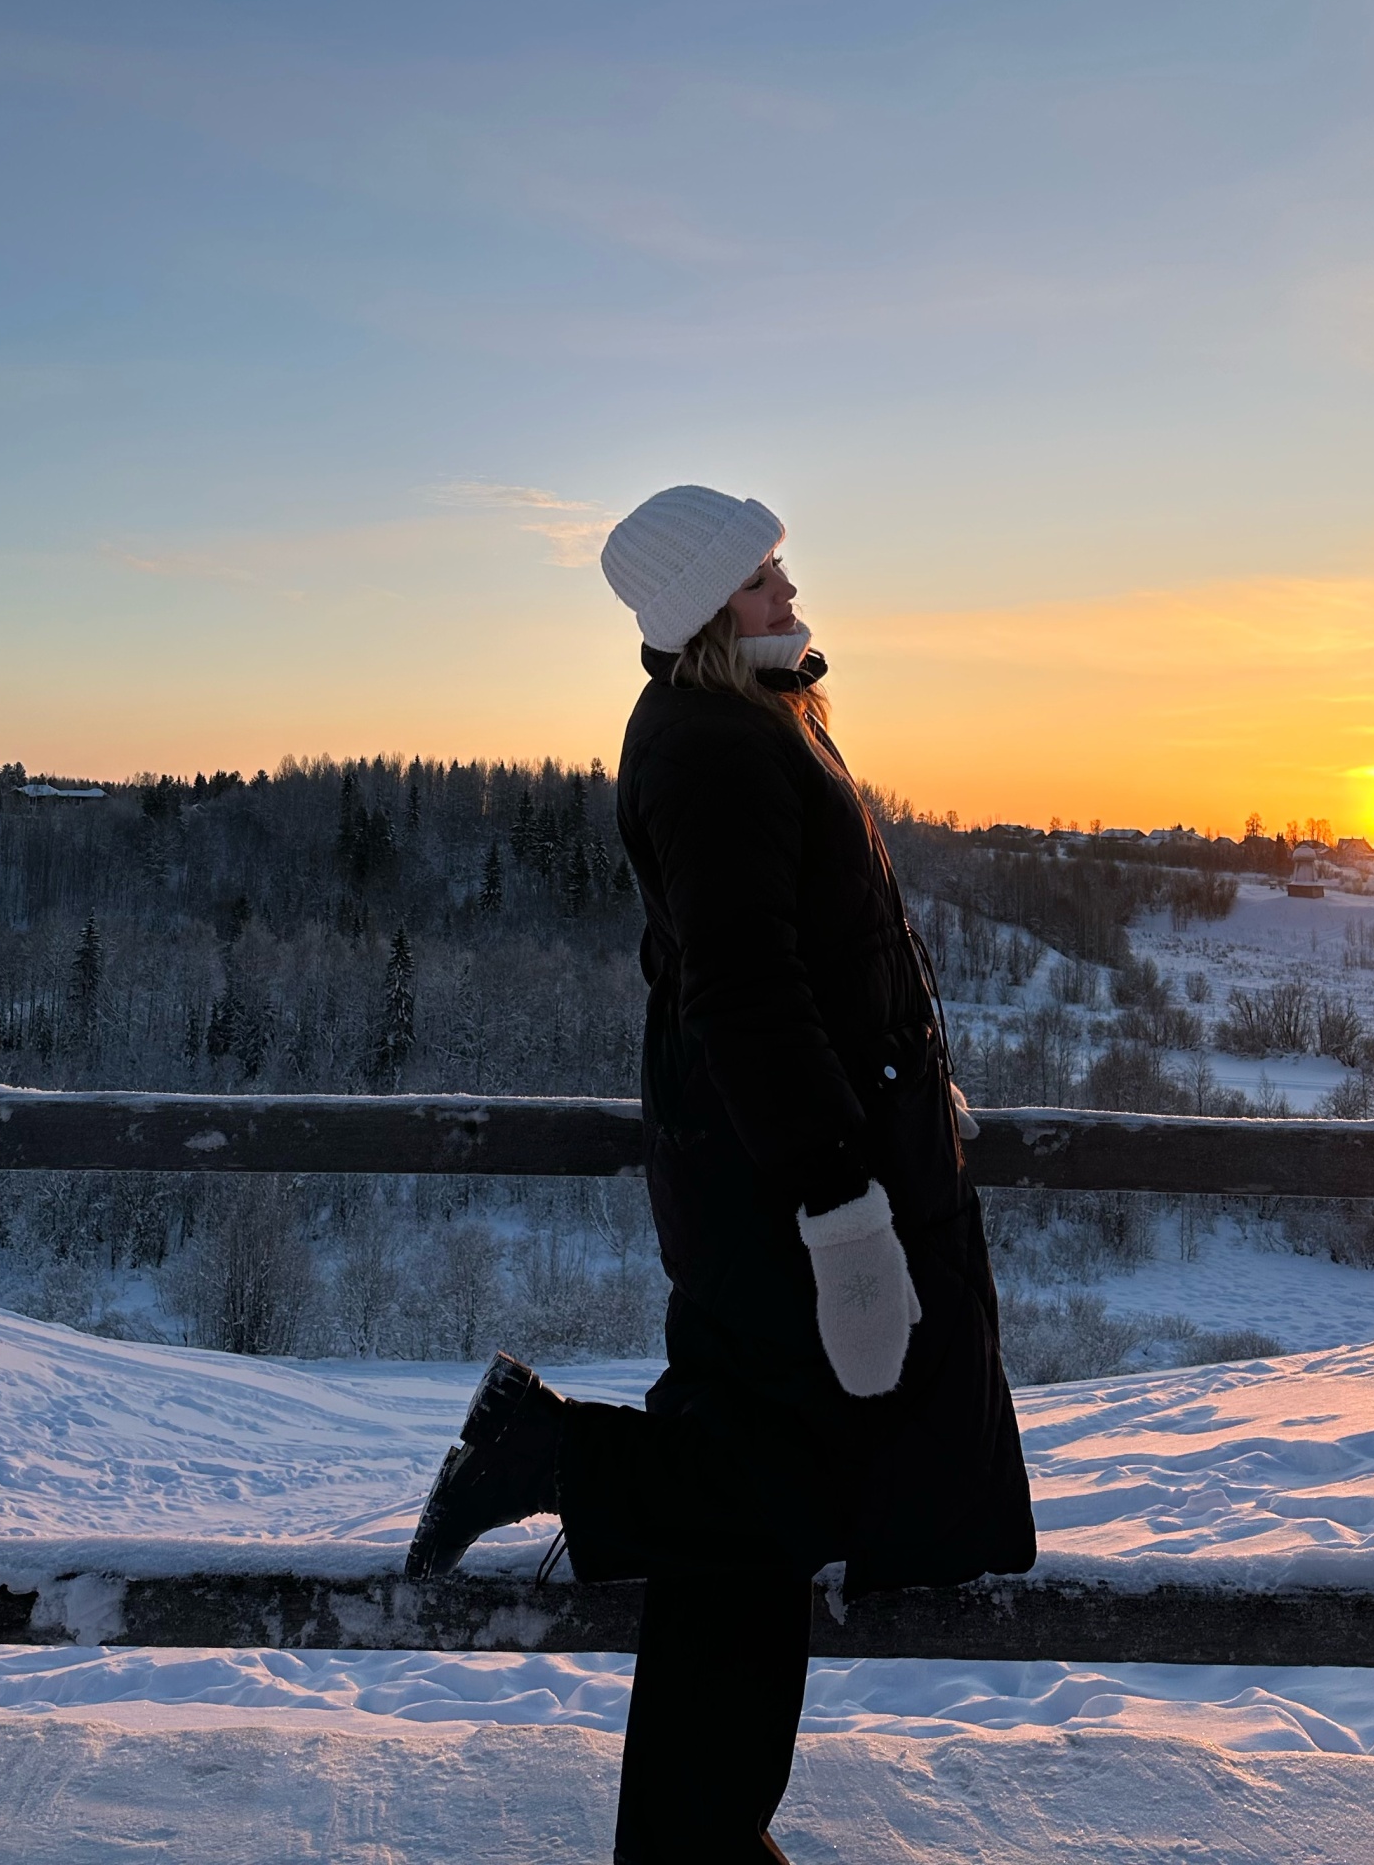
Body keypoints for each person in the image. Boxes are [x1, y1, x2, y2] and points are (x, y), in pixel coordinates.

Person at [407, 484, 1035, 1862]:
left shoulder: (749, 722)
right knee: (779, 1488)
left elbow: (823, 959)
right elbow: (746, 995)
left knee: (750, 1509)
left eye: (779, 567)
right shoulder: (706, 745)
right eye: (760, 579)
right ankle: (541, 1452)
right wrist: (842, 1207)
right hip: (780, 1202)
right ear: (704, 613)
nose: (789, 591)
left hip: (784, 1180)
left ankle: (698, 1838)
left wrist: (909, 1089)